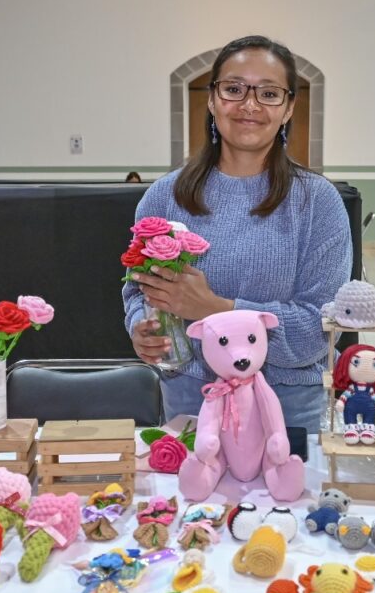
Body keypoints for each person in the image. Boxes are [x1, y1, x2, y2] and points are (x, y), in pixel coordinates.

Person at [122, 35, 352, 434]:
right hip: (190, 399)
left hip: (286, 409)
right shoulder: (165, 196)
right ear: (212, 100)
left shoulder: (318, 202)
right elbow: (136, 291)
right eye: (234, 89)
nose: (249, 105)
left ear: (288, 108)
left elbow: (320, 329)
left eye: (269, 93)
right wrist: (142, 327)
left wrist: (216, 310)